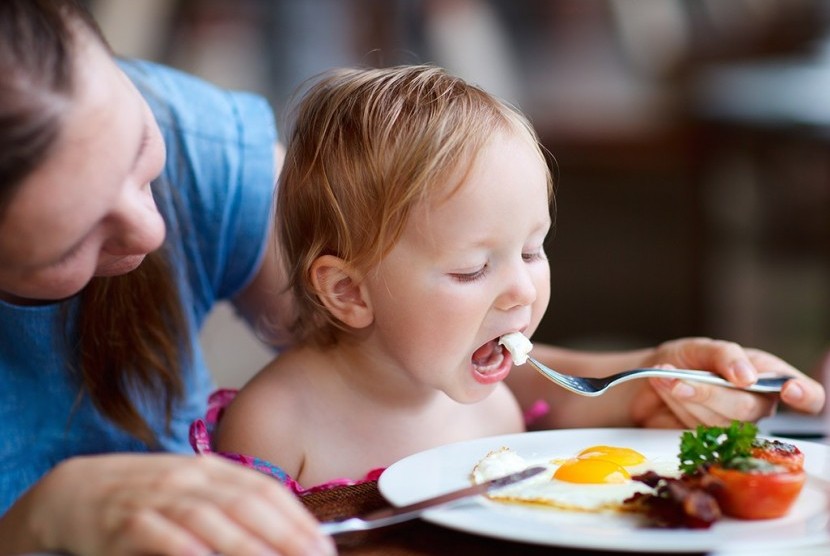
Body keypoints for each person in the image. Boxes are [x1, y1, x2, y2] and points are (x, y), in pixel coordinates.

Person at [206, 65, 825, 491]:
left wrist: (675, 381)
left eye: (532, 252)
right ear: (349, 291)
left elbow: (586, 402)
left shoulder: (496, 403)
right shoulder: (277, 426)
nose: (523, 291)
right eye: (473, 268)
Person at [0, 1, 334, 554]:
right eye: (69, 244)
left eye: (139, 148)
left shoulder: (200, 143)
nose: (152, 230)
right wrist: (33, 523)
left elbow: (379, 356)